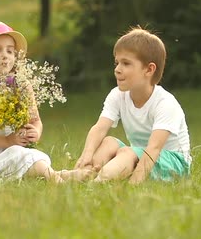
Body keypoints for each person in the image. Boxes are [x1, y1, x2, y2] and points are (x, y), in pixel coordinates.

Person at [0, 21, 90, 182]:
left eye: (10, 51)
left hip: (13, 149)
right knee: (30, 160)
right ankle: (59, 181)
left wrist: (35, 132)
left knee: (33, 159)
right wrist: (6, 141)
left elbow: (35, 121)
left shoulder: (22, 85)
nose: (5, 55)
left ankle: (60, 175)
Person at [73, 26, 191, 184]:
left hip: (174, 163)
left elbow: (154, 149)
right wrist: (86, 155)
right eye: (117, 63)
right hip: (137, 154)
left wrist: (134, 184)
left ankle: (97, 182)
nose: (117, 69)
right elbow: (99, 128)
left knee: (127, 152)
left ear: (149, 69)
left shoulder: (165, 103)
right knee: (109, 142)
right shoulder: (117, 95)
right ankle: (82, 174)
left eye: (126, 63)